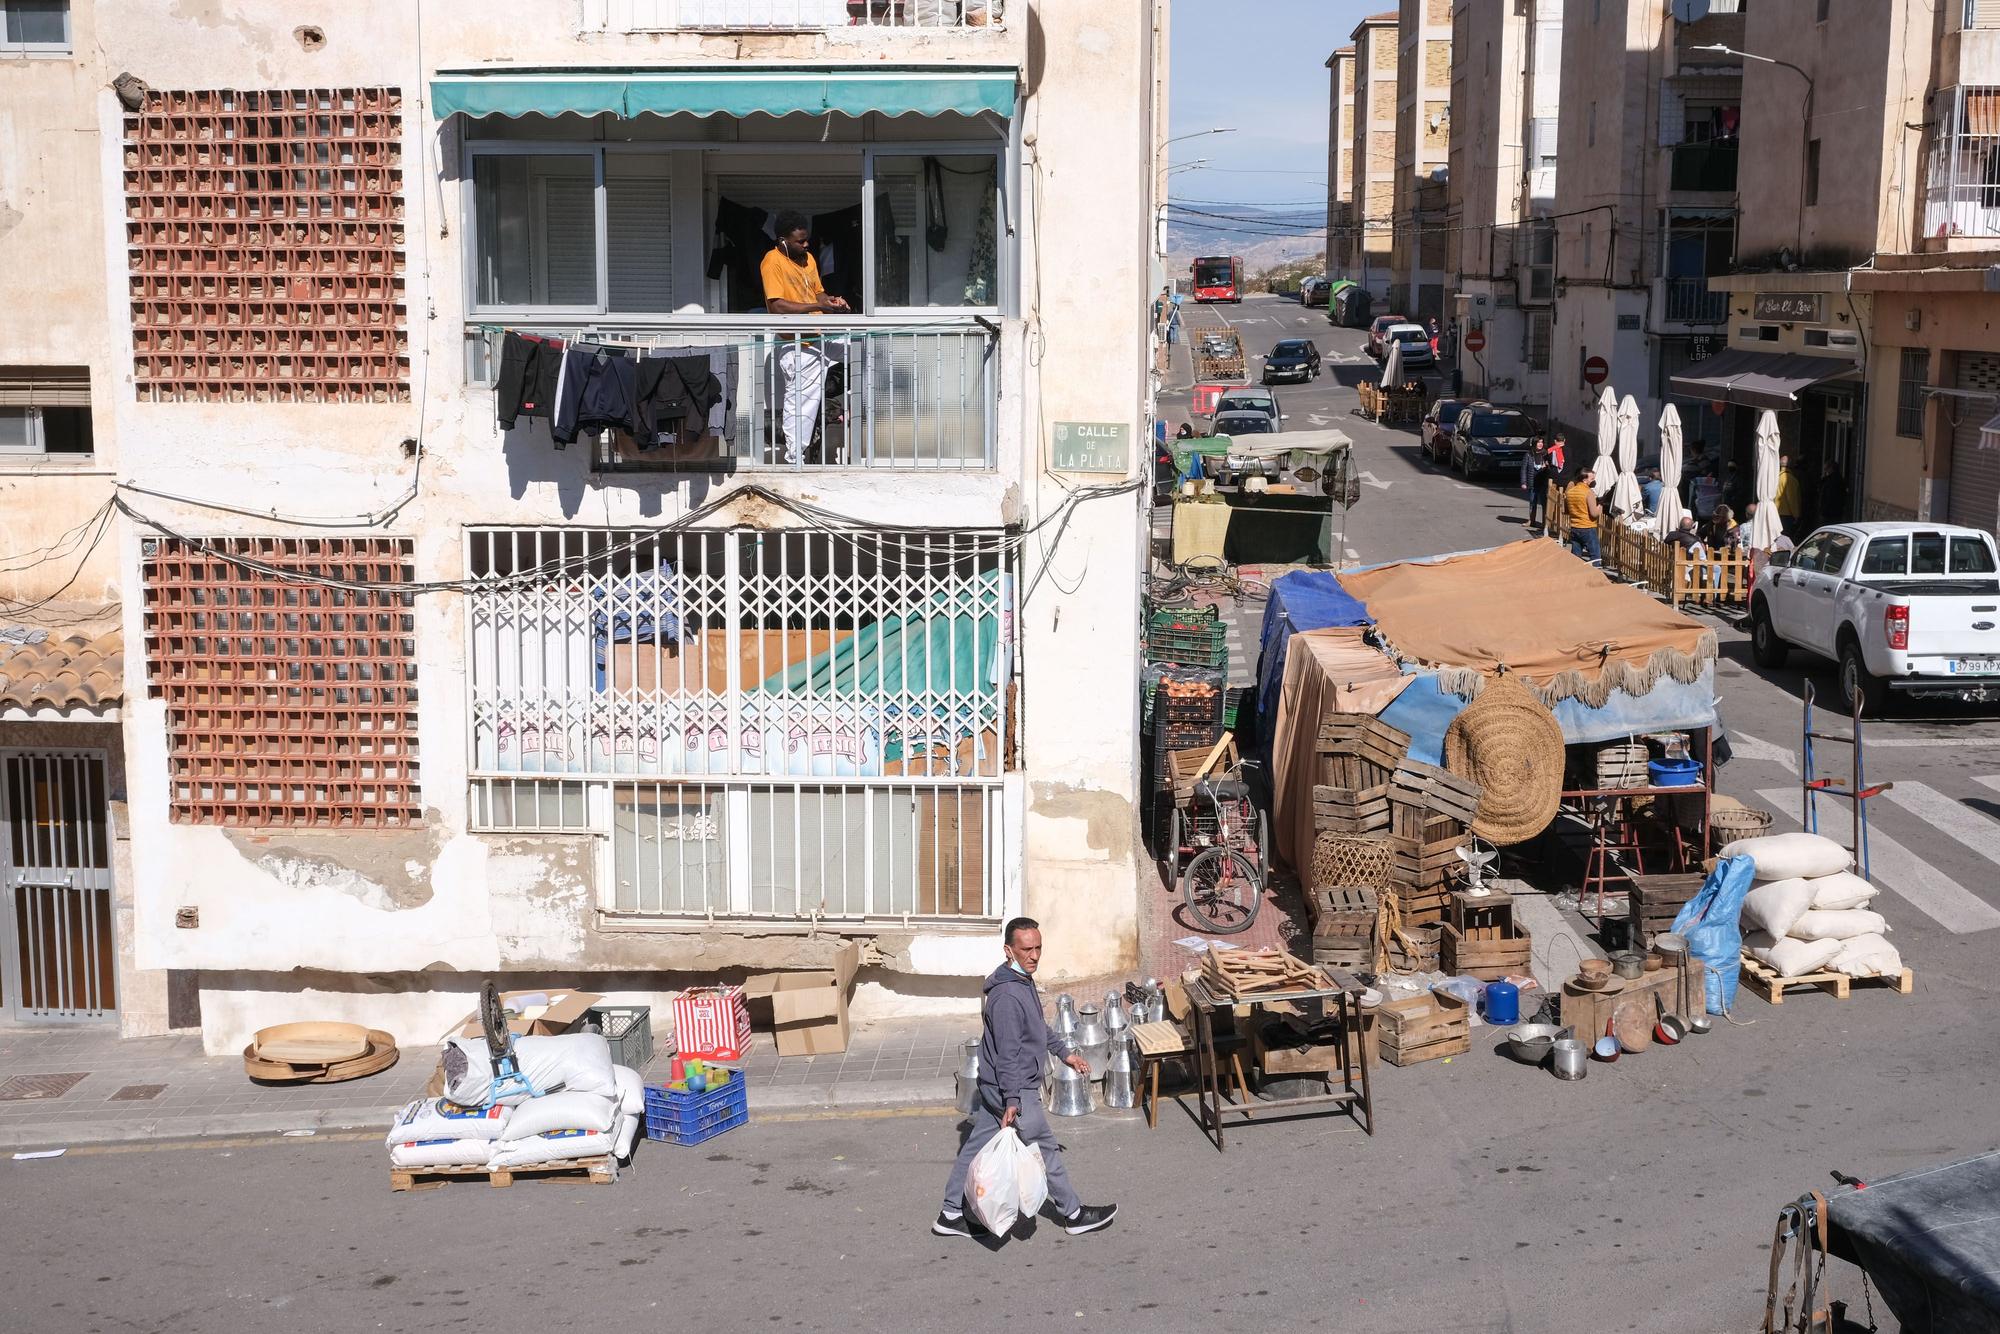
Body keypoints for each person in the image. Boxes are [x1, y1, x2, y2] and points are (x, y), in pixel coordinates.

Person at [934, 918, 1118, 1240]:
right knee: (1044, 1146)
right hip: (1012, 1087)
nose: (1034, 956)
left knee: (975, 1146)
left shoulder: (1022, 981)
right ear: (1009, 950)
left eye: (1038, 948)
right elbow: (1008, 1054)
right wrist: (1013, 1101)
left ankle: (950, 1214)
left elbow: (1036, 1027)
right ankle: (1073, 1214)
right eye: (1026, 949)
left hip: (1001, 1086)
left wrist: (1064, 1053)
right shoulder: (1006, 997)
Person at [761, 209, 851, 464]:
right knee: (801, 403)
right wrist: (817, 307)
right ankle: (794, 457)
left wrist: (831, 302)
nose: (806, 244)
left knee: (866, 350)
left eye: (806, 239)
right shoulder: (771, 262)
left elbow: (818, 293)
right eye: (800, 241)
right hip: (796, 343)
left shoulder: (808, 259)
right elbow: (777, 306)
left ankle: (860, 411)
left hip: (819, 336)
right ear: (782, 241)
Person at [1564, 467, 1602, 564]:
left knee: (1576, 558)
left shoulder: (1570, 492)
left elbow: (1566, 510)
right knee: (1595, 557)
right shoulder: (1588, 492)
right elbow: (1594, 514)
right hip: (1588, 527)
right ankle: (1595, 575)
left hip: (1574, 527)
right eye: (1592, 479)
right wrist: (1600, 506)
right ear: (1585, 480)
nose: (1594, 481)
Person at [1522, 439, 1552, 532]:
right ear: (1534, 444)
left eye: (1542, 442)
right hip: (1532, 482)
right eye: (1538, 442)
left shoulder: (1546, 454)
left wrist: (1547, 466)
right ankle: (1531, 520)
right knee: (1532, 501)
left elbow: (1551, 467)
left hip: (1543, 482)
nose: (1540, 444)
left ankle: (1544, 523)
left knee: (1544, 503)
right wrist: (1523, 482)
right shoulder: (1529, 454)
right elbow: (1523, 469)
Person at [1774, 452, 1803, 535]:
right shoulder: (1790, 479)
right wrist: (1797, 515)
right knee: (1786, 539)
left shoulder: (1776, 478)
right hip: (1787, 516)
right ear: (1791, 465)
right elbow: (1792, 500)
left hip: (1776, 513)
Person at [1819, 457, 1849, 526]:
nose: (1825, 471)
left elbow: (1828, 497)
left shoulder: (1831, 481)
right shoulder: (1838, 479)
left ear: (1831, 468)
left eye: (1826, 469)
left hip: (1830, 513)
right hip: (1835, 512)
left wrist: (1823, 511)